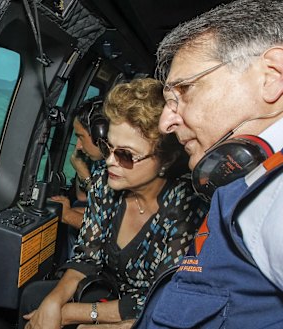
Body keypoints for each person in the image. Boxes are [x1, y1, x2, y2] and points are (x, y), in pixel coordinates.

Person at [134, 1, 283, 328]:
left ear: (272, 77)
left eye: (184, 90)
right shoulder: (252, 183)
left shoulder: (274, 199)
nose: (165, 123)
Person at [19, 78, 208, 329]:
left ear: (166, 159)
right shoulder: (103, 183)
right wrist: (54, 302)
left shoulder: (186, 205)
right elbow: (86, 257)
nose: (110, 161)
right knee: (36, 298)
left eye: (125, 155)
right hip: (107, 286)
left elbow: (161, 296)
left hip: (148, 307)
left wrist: (71, 313)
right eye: (108, 147)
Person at [52, 99, 106, 232]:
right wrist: (79, 165)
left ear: (100, 133)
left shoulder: (123, 170)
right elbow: (82, 198)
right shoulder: (99, 162)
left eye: (81, 137)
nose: (78, 146)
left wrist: (67, 215)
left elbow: (107, 227)